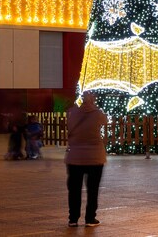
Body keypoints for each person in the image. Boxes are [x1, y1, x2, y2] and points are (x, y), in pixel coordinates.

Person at [66, 91, 107, 228]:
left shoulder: (72, 113)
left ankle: (73, 218)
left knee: (74, 190)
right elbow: (105, 122)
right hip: (95, 157)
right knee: (93, 189)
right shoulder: (98, 113)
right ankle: (90, 218)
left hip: (75, 157)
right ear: (93, 99)